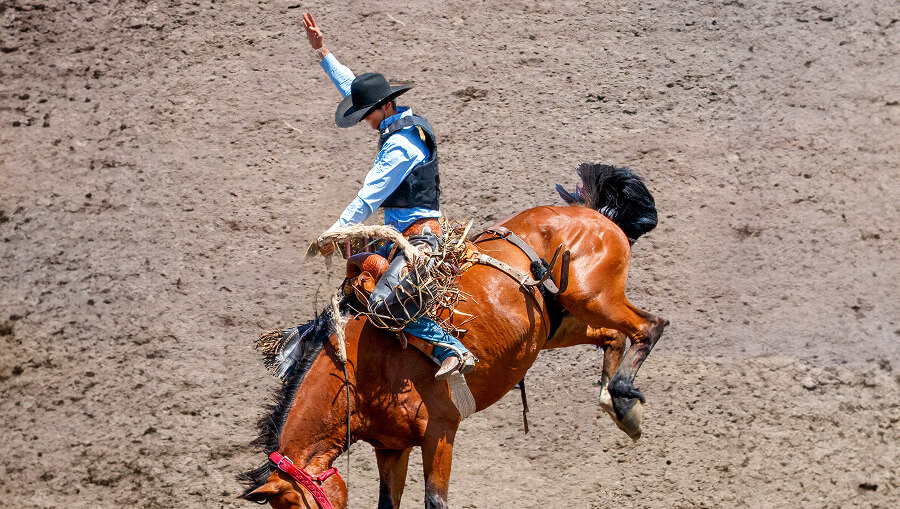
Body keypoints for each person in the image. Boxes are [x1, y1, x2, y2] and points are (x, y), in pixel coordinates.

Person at [275, 12, 474, 381]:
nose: (365, 121)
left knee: (383, 305)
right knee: (356, 283)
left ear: (385, 107)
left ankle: (452, 348)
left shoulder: (400, 145)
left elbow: (369, 197)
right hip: (396, 234)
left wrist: (336, 232)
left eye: (368, 114)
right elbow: (353, 86)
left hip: (418, 238)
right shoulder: (397, 119)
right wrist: (323, 52)